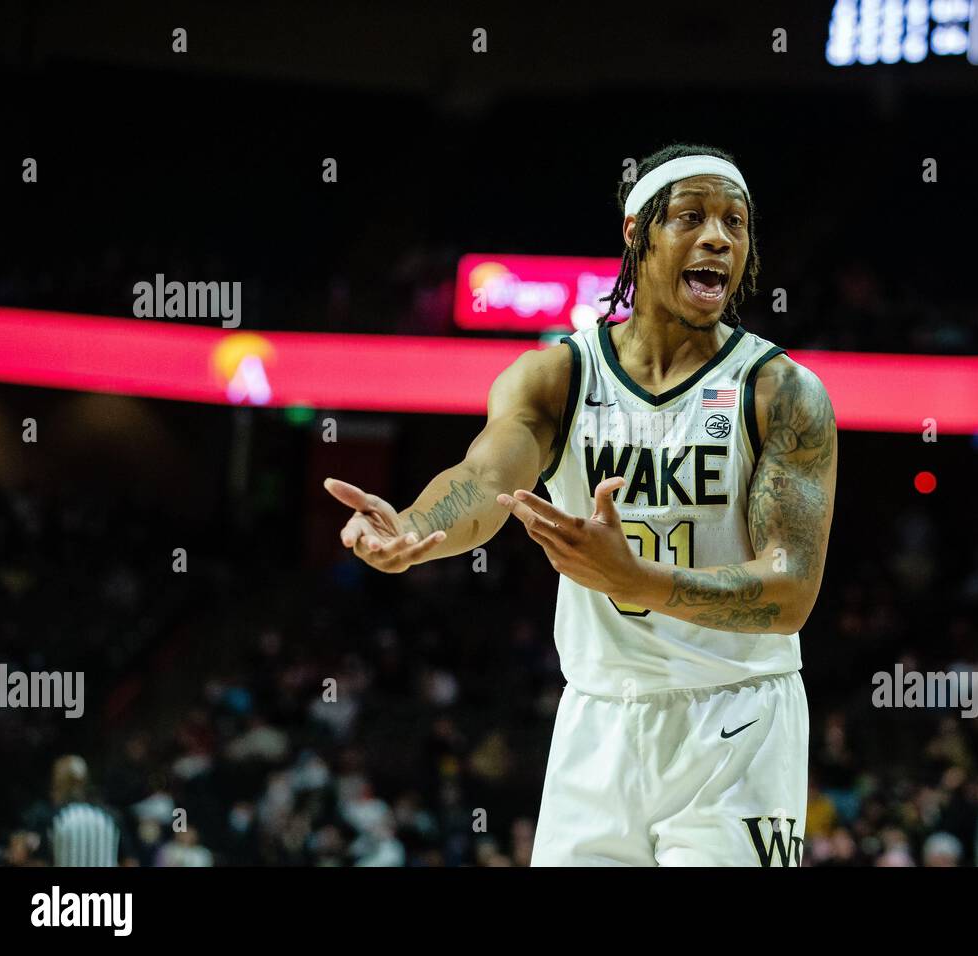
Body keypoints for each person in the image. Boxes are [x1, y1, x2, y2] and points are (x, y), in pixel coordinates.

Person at [325, 143, 836, 866]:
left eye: (736, 222)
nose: (719, 237)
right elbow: (484, 479)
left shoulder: (781, 391)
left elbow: (790, 592)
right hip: (599, 717)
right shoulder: (557, 376)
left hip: (739, 717)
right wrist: (414, 529)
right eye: (691, 216)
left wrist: (640, 582)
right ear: (637, 233)